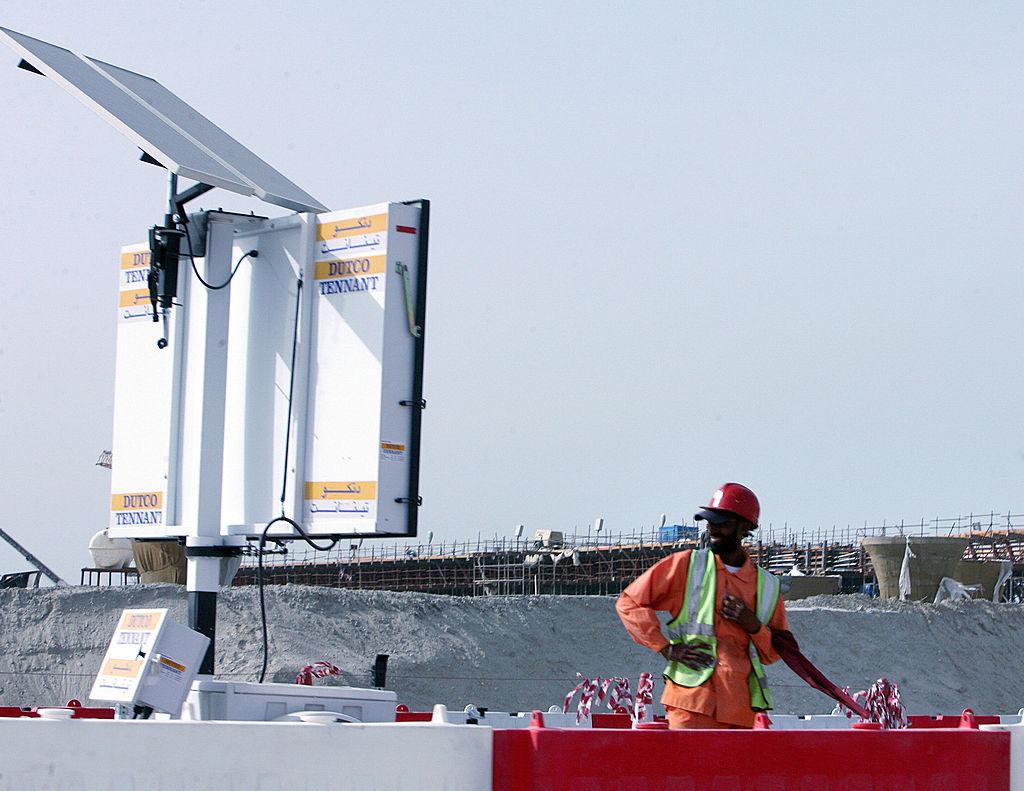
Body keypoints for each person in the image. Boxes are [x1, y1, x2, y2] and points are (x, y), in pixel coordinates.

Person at [616, 482, 789, 729]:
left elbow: (774, 653)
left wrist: (752, 625)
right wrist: (665, 648)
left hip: (741, 710)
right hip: (691, 705)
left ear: (745, 528)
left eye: (722, 523)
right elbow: (629, 602)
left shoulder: (767, 586)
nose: (712, 529)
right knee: (686, 769)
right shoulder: (686, 566)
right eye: (710, 522)